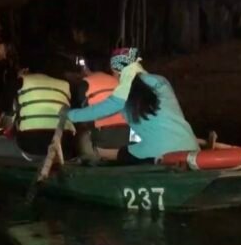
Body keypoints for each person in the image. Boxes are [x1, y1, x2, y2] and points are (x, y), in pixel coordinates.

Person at [65, 46, 198, 164]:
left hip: (157, 153)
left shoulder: (123, 92)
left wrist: (68, 114)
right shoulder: (161, 81)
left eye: (114, 73)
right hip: (191, 146)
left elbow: (96, 111)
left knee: (102, 153)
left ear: (119, 71)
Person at [13, 53, 76, 157]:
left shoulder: (22, 81)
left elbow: (8, 108)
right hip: (64, 141)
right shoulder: (65, 84)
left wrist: (19, 77)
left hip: (30, 141)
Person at [73, 56, 130, 160]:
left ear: (86, 67)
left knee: (79, 130)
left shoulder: (85, 84)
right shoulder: (118, 82)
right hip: (127, 144)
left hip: (103, 147)